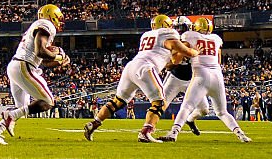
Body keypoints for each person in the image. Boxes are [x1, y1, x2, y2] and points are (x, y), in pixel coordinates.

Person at [84, 14, 199, 143]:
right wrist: (196, 51)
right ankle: (146, 132)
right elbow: (187, 53)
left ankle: (94, 123)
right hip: (146, 68)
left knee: (118, 101)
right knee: (160, 102)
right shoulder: (167, 35)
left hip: (131, 67)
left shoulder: (147, 35)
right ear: (167, 25)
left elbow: (170, 60)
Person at [0, 4, 68, 145]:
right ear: (50, 16)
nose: (60, 21)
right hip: (24, 66)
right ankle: (10, 115)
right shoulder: (46, 25)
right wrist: (58, 56)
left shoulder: (38, 28)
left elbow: (44, 61)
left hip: (17, 65)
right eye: (58, 17)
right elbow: (40, 52)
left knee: (22, 108)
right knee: (48, 102)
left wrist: (60, 62)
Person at [161, 17, 250, 143]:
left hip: (201, 75)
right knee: (222, 112)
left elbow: (178, 56)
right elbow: (218, 60)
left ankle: (174, 133)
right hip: (217, 75)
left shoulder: (189, 36)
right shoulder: (216, 38)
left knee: (186, 106)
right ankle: (241, 135)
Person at [160, 16, 200, 135]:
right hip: (175, 78)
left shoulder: (195, 41)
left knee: (204, 109)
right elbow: (168, 66)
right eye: (177, 28)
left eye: (181, 28)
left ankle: (190, 120)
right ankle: (148, 128)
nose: (179, 31)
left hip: (192, 79)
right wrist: (176, 59)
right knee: (161, 105)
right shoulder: (171, 42)